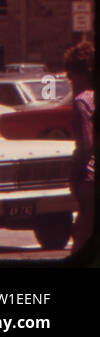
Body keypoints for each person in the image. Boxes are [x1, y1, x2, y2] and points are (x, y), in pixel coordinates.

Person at [63, 40, 94, 257]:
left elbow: (87, 144)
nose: (70, 82)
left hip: (90, 180)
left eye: (70, 76)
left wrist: (74, 175)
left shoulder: (82, 101)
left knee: (82, 239)